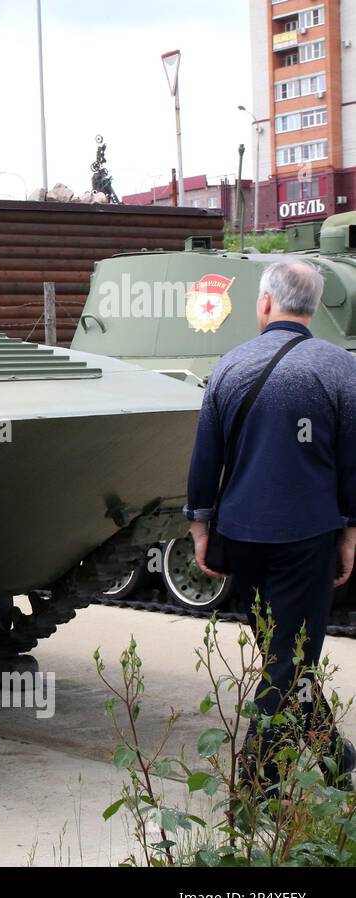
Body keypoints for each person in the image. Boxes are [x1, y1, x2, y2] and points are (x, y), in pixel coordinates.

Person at [185, 258, 356, 787]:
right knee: (290, 659)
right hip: (307, 538)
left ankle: (335, 758)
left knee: (283, 655)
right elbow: (352, 461)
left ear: (265, 303)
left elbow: (204, 456)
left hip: (240, 535)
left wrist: (200, 528)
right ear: (314, 306)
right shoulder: (340, 369)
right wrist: (350, 531)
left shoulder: (230, 365)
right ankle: (260, 787)